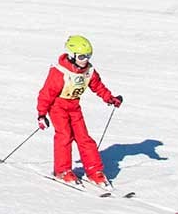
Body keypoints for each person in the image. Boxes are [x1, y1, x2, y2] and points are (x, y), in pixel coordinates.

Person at [35, 34, 123, 187]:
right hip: (58, 107)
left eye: (88, 56)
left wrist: (110, 98)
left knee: (84, 138)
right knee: (64, 136)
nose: (85, 60)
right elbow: (46, 93)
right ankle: (62, 171)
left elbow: (97, 86)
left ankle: (94, 171)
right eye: (82, 56)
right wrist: (41, 114)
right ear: (72, 55)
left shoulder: (88, 71)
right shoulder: (59, 72)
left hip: (74, 107)